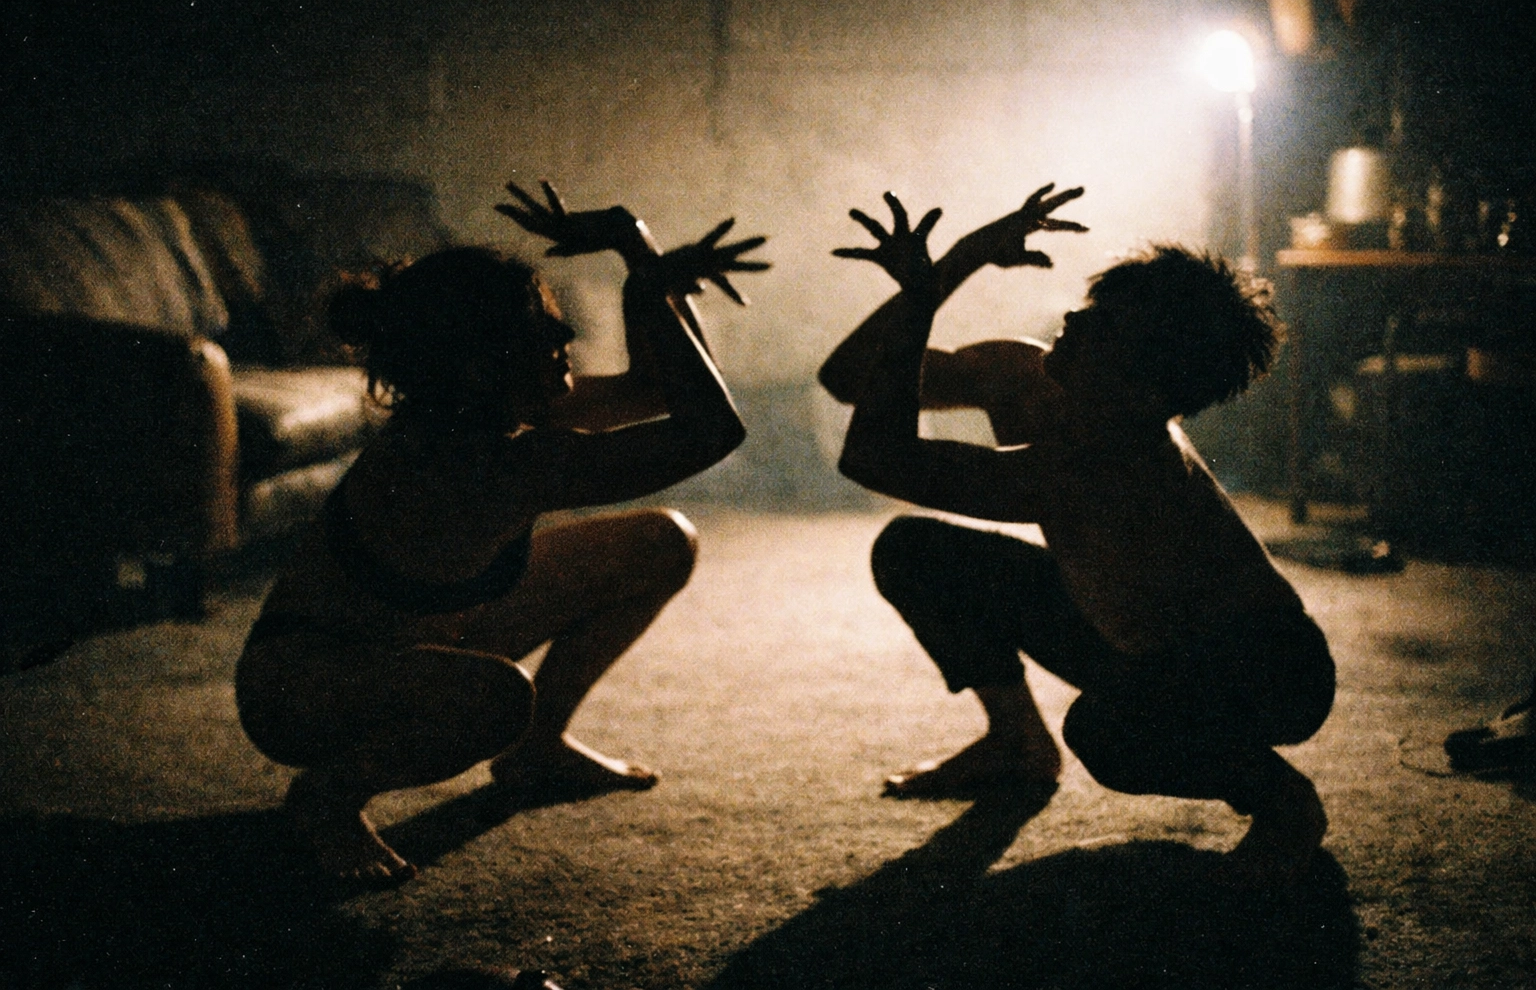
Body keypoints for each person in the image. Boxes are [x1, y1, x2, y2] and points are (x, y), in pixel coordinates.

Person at [235, 180, 768, 882]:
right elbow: (711, 429)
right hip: (305, 691)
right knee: (497, 697)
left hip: (406, 649)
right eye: (540, 323)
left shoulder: (481, 412)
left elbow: (658, 392)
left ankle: (539, 750)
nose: (567, 335)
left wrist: (641, 265)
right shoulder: (484, 460)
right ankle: (328, 797)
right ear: (479, 356)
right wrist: (638, 265)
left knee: (659, 541)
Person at [821, 184, 1335, 883]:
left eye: (1101, 328)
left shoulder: (1109, 463)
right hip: (1132, 641)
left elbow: (873, 457)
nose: (1072, 317)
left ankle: (1280, 799)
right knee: (916, 550)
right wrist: (958, 261)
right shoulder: (1022, 375)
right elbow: (850, 376)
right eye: (1091, 308)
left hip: (1262, 669)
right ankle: (1015, 744)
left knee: (1108, 733)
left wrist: (919, 297)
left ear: (1145, 392)